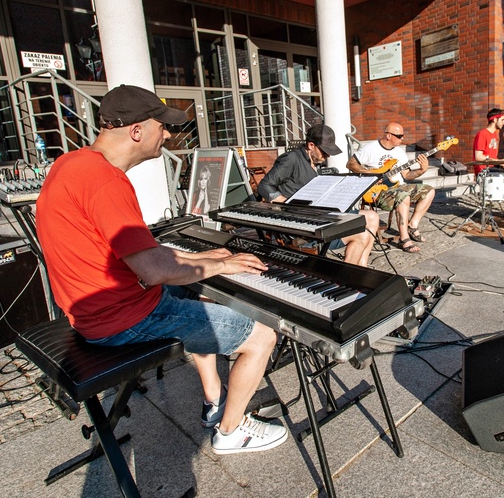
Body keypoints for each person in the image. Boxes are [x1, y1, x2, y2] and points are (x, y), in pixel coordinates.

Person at [36, 84, 287, 455]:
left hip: (91, 312)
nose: (167, 135)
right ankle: (232, 432)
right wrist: (222, 264)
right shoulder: (106, 181)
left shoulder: (70, 164)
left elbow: (136, 253)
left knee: (197, 292)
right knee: (262, 335)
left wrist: (211, 261)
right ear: (137, 131)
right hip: (123, 320)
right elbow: (153, 270)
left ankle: (214, 400)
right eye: (163, 126)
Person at [257, 124, 379, 266]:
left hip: (319, 215)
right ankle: (347, 276)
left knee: (372, 216)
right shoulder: (291, 159)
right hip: (303, 226)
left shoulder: (315, 162)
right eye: (324, 151)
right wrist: (286, 202)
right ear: (311, 145)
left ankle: (362, 268)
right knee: (362, 234)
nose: (327, 156)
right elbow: (264, 186)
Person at [346, 122, 435, 254]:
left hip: (398, 186)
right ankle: (404, 239)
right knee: (403, 195)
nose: (402, 139)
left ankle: (412, 225)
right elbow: (350, 164)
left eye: (402, 136)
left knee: (429, 191)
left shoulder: (400, 153)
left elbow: (407, 175)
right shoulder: (370, 148)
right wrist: (371, 173)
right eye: (399, 136)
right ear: (388, 135)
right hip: (379, 191)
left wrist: (422, 170)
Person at [472, 108, 504, 176]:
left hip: (492, 168)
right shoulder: (482, 134)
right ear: (495, 120)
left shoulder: (494, 134)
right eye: (502, 120)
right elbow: (478, 157)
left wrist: (501, 162)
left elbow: (491, 157)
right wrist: (498, 162)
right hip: (484, 171)